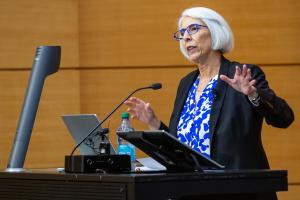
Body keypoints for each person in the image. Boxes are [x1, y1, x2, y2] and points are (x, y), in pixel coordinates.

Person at [124, 7, 294, 200]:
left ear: (214, 31)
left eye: (193, 29)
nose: (186, 37)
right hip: (193, 192)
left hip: (238, 192)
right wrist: (154, 123)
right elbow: (181, 149)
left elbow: (284, 117)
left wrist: (253, 93)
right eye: (182, 33)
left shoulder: (242, 74)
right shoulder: (186, 83)